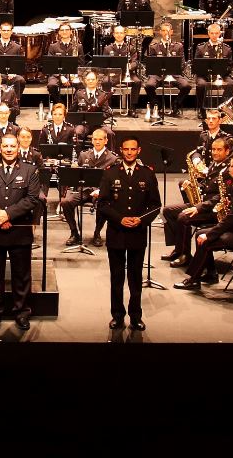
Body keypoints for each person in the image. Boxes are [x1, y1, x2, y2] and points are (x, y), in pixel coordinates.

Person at [0, 133, 40, 330]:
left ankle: (21, 312)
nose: (9, 149)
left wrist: (8, 215)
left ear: (18, 147)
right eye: (6, 146)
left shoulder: (30, 170)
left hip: (19, 230)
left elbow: (32, 199)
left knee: (21, 275)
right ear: (0, 148)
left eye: (13, 146)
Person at [98, 135, 160, 330]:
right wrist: (120, 219)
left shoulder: (147, 174)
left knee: (135, 278)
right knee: (116, 278)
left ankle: (135, 316)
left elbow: (155, 205)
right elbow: (103, 203)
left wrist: (141, 219)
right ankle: (117, 315)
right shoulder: (110, 173)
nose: (130, 152)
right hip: (116, 233)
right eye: (126, 149)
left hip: (137, 233)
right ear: (121, 151)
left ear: (138, 151)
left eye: (133, 149)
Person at [174, 151, 233, 288]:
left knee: (206, 240)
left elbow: (231, 219)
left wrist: (210, 234)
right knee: (200, 235)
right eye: (232, 166)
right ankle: (211, 273)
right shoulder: (232, 183)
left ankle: (193, 279)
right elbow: (220, 198)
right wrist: (199, 208)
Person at [162, 136, 229, 267]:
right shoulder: (213, 164)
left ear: (227, 151)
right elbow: (206, 184)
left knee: (183, 217)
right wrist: (194, 186)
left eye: (219, 150)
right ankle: (178, 249)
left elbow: (220, 197)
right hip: (201, 203)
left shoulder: (227, 171)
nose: (215, 152)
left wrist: (198, 208)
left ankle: (185, 255)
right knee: (168, 211)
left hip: (213, 210)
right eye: (213, 149)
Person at [61, 127, 118, 247]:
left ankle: (97, 233)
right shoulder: (83, 155)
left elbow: (114, 181)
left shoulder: (113, 159)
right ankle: (74, 233)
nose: (97, 142)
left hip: (101, 192)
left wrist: (100, 191)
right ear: (92, 141)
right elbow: (77, 177)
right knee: (66, 202)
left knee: (103, 204)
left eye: (100, 139)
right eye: (95, 139)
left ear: (106, 141)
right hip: (85, 190)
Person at [190, 23, 233, 115]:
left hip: (222, 75)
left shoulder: (227, 49)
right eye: (212, 33)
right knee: (201, 84)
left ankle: (222, 107)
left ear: (219, 34)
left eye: (216, 33)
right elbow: (196, 65)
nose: (214, 35)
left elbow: (230, 65)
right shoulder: (201, 48)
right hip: (204, 75)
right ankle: (202, 109)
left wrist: (222, 72)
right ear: (208, 33)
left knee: (231, 83)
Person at [101, 25, 142, 117]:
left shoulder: (130, 48)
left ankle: (132, 108)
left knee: (137, 82)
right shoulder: (108, 48)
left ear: (124, 34)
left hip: (128, 73)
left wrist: (130, 66)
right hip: (114, 74)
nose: (119, 35)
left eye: (121, 33)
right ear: (114, 34)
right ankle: (108, 108)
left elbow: (135, 62)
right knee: (105, 82)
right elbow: (104, 64)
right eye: (117, 33)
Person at [144, 22, 184, 117]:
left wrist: (176, 70)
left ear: (171, 32)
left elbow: (182, 63)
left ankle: (176, 104)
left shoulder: (178, 46)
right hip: (158, 74)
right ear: (160, 32)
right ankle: (157, 103)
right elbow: (149, 63)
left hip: (174, 74)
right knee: (149, 85)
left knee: (186, 86)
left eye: (167, 31)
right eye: (163, 31)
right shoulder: (153, 46)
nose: (166, 33)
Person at [45, 22, 84, 108]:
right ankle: (61, 105)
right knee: (51, 85)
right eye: (62, 30)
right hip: (57, 75)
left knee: (82, 85)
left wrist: (75, 75)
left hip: (73, 74)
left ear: (71, 32)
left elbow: (81, 64)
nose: (64, 32)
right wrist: (61, 76)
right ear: (59, 32)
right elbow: (51, 65)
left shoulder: (78, 46)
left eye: (67, 30)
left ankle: (72, 105)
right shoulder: (53, 46)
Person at [0, 22, 26, 99]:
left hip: (11, 76)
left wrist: (15, 72)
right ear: (0, 31)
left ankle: (15, 104)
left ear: (11, 32)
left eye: (8, 30)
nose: (6, 32)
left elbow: (21, 66)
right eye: (4, 30)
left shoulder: (17, 47)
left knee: (21, 80)